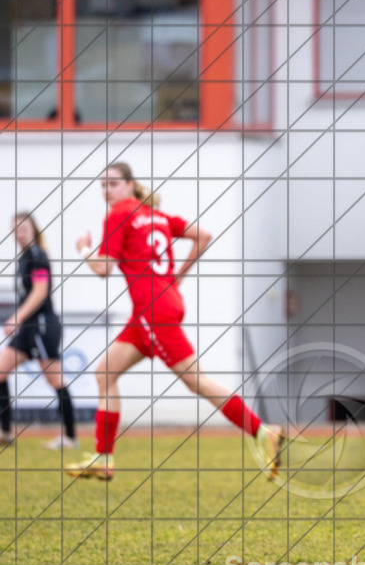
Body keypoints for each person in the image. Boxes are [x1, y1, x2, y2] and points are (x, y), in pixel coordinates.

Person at [64, 162, 282, 480]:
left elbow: (103, 269)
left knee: (197, 381)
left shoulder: (118, 215)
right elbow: (203, 235)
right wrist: (175, 277)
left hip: (153, 311)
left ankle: (263, 431)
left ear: (129, 184)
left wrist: (84, 249)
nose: (106, 190)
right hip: (151, 311)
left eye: (112, 183)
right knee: (105, 373)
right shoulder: (157, 215)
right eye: (102, 185)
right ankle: (103, 458)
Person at [0, 212, 78, 449]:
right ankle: (5, 431)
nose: (19, 233)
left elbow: (40, 291)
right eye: (16, 230)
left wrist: (17, 316)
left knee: (55, 380)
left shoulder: (37, 256)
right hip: (28, 329)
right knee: (1, 371)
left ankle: (70, 437)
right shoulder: (24, 258)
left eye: (23, 229)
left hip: (43, 326)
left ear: (34, 229)